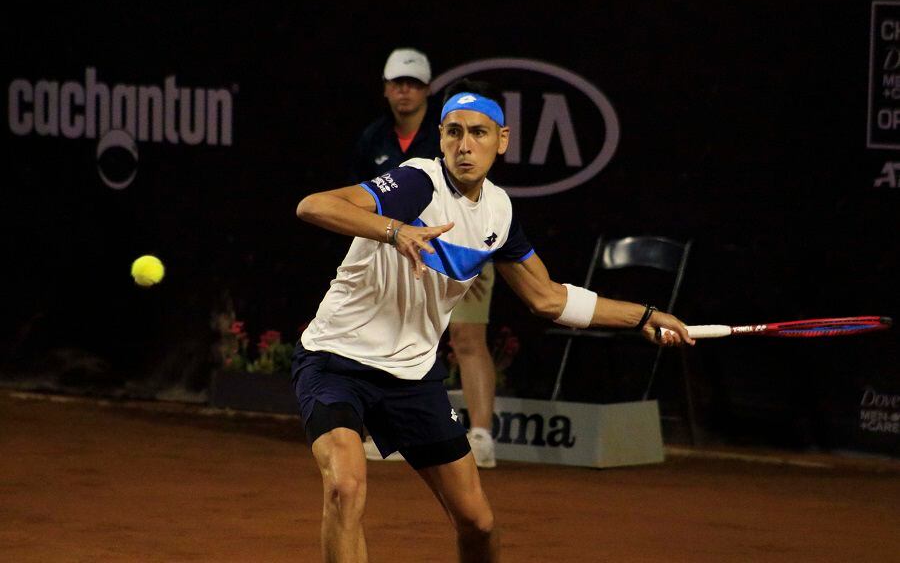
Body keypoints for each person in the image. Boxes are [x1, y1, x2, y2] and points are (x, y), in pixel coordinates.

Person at [293, 78, 695, 562]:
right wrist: (395, 231)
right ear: (440, 136)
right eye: (454, 133)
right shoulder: (417, 182)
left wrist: (642, 317)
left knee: (478, 524)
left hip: (413, 379)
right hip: (337, 361)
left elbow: (546, 298)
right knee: (345, 487)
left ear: (502, 139)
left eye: (479, 133)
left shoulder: (499, 213)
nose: (465, 146)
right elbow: (313, 205)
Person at [350, 48, 499, 467]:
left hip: (455, 253)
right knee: (386, 335)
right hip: (390, 256)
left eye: (413, 84)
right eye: (398, 83)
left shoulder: (453, 133)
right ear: (385, 89)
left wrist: (480, 254)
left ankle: (482, 438)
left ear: (427, 90)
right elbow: (357, 203)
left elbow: (478, 197)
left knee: (468, 339)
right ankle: (393, 435)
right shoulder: (371, 140)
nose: (405, 92)